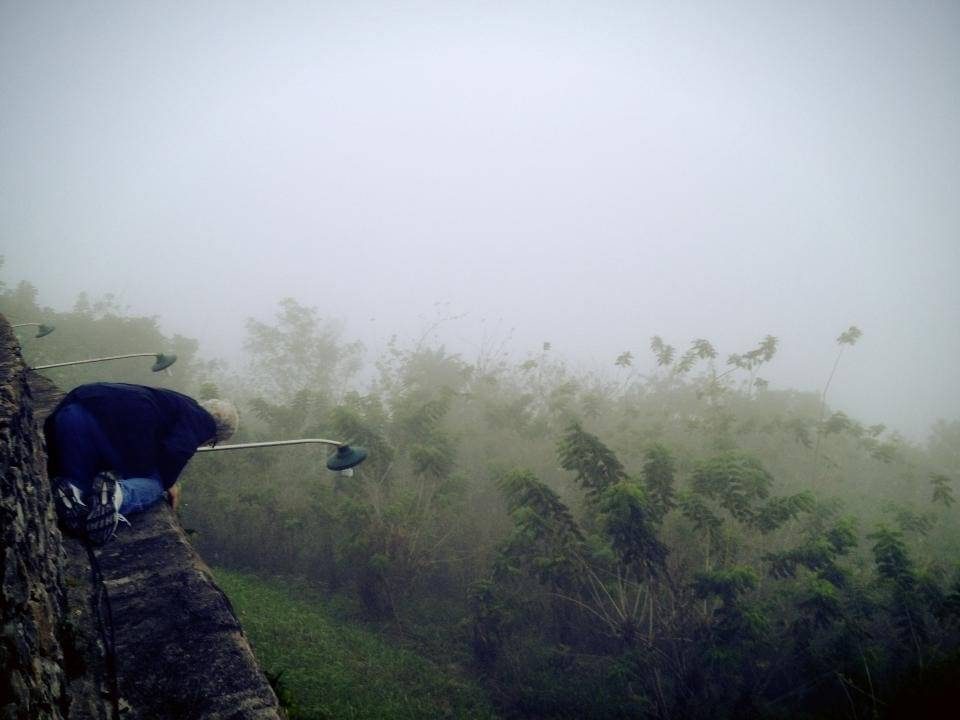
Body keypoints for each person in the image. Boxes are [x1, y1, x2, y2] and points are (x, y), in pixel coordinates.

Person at [44, 382, 239, 545]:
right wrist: (169, 482)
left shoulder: (174, 401)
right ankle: (117, 495)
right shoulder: (201, 421)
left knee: (81, 481)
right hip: (103, 432)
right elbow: (175, 450)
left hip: (70, 412)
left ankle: (73, 491)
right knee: (156, 483)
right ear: (215, 436)